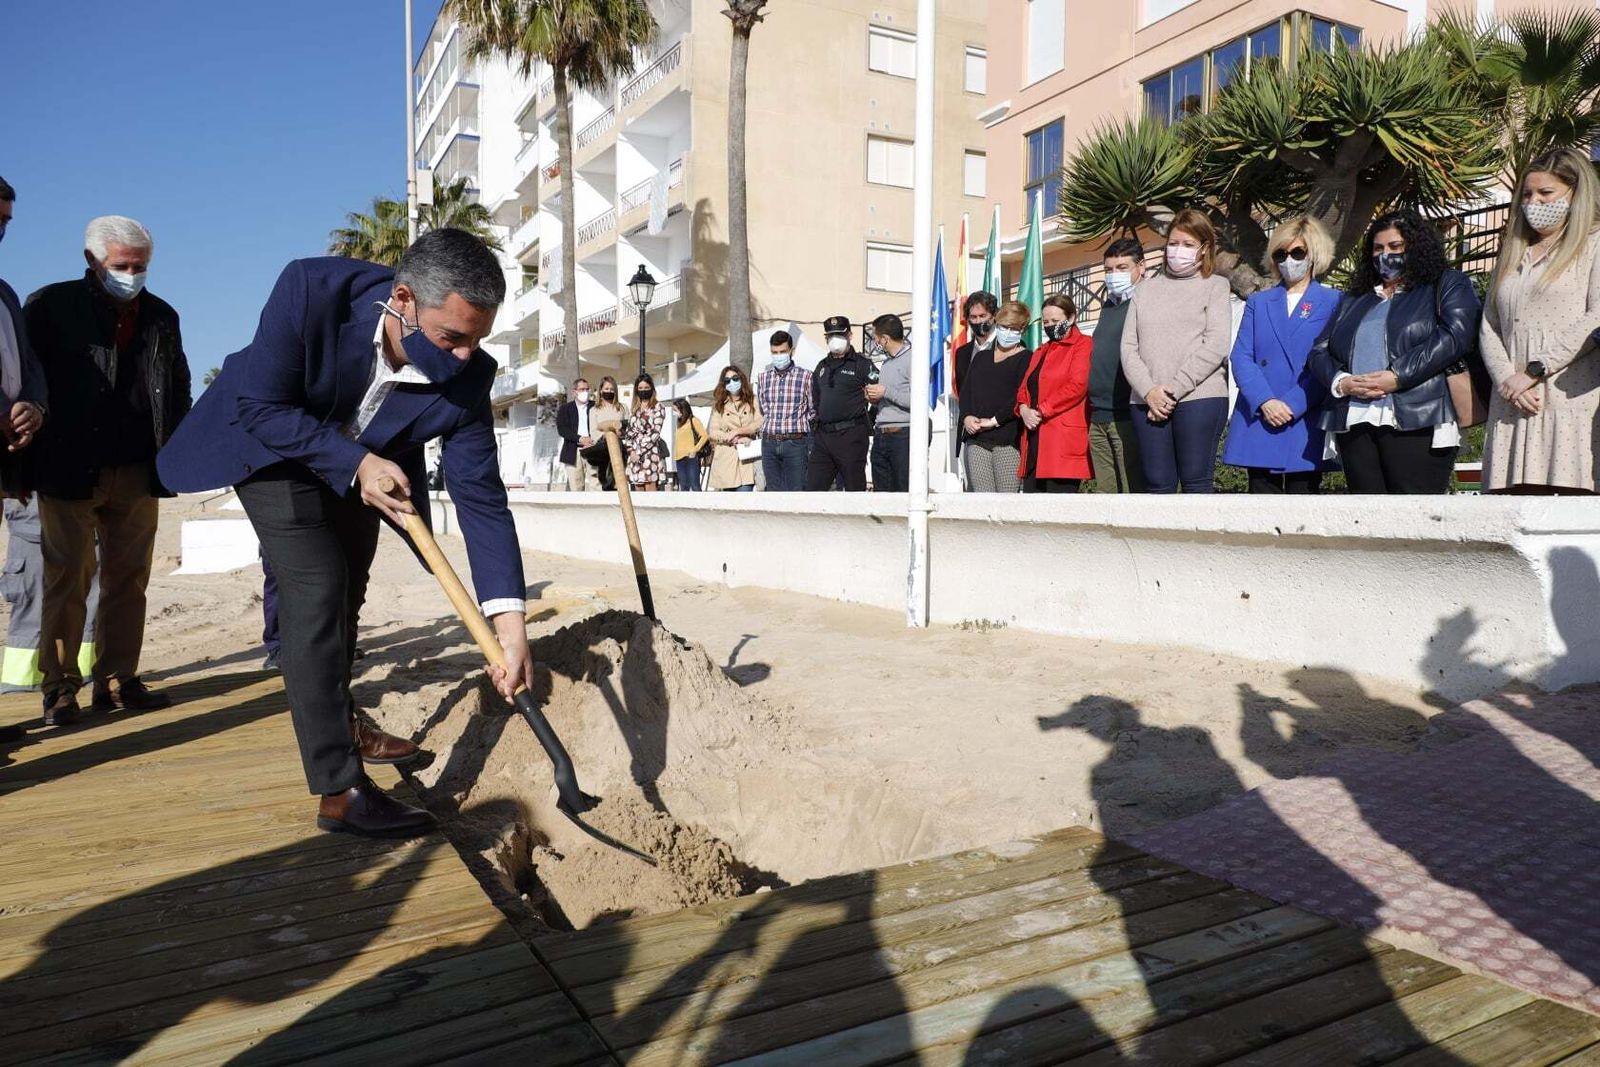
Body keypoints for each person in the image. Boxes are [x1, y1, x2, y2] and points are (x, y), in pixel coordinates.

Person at [157, 228, 532, 838]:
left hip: (371, 457)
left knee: (351, 584)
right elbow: (261, 406)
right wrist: (355, 464)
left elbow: (482, 499)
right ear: (404, 300)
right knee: (318, 587)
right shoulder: (310, 290)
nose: (465, 356)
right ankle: (340, 788)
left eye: (478, 339)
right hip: (272, 445)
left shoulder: (470, 374)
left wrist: (509, 624)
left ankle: (339, 718)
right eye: (452, 338)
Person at [27, 215, 190, 725]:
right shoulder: (50, 307)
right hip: (68, 466)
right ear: (91, 261)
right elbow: (28, 381)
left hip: (139, 467)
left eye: (140, 265)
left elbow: (177, 387)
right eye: (122, 265)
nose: (132, 273)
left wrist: (177, 455)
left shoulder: (162, 315)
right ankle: (59, 689)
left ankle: (118, 679)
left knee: (129, 579)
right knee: (67, 577)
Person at [1309, 210, 1480, 495]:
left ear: (1416, 246)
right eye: (1378, 248)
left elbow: (1456, 336)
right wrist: (1341, 381)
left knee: (1415, 513)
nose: (1384, 254)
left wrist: (1397, 376)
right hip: (1354, 417)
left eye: (1395, 246)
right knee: (1366, 516)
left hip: (1418, 413)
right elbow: (1319, 351)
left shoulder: (1446, 283)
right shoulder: (1355, 298)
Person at [1481, 146, 1600, 494]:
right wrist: (1507, 379)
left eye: (1546, 193)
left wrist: (1535, 370)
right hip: (1512, 405)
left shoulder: (1593, 244)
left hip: (1567, 403)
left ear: (1575, 193)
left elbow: (1596, 317)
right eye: (1528, 194)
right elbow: (1490, 324)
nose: (1535, 202)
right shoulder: (1514, 251)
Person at [1222, 216, 1341, 493]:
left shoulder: (1333, 301)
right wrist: (1265, 401)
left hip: (1305, 415)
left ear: (1314, 254)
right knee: (1262, 509)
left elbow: (1332, 358)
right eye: (1281, 254)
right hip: (1261, 417)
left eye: (1297, 252)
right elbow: (1241, 356)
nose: (1289, 260)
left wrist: (1294, 404)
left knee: (1303, 506)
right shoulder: (1258, 301)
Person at [1119, 208, 1233, 494]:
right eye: (1173, 243)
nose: (1178, 250)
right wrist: (1149, 391)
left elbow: (1216, 344)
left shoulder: (1216, 286)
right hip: (1147, 401)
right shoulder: (1144, 290)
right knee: (1157, 484)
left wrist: (1173, 390)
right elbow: (1129, 348)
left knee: (1196, 480)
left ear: (1205, 248)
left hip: (1199, 397)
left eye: (1188, 244)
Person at [1086, 240, 1146, 493]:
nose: (1114, 275)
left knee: (1132, 492)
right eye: (1108, 270)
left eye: (1122, 267)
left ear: (1141, 267)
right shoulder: (1109, 306)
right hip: (1098, 415)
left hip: (1127, 415)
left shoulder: (1145, 303)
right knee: (1106, 495)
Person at [1017, 295, 1093, 492]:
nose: (1049, 326)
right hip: (1034, 438)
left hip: (1061, 439)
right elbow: (1024, 387)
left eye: (1055, 321)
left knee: (1060, 508)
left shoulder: (1083, 344)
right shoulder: (1040, 351)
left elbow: (1077, 385)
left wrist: (1042, 410)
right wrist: (1023, 408)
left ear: (1071, 318)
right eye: (1046, 321)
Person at [957, 299, 1029, 492]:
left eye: (1014, 328)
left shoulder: (1026, 358)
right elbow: (966, 392)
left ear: (1023, 330)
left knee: (1006, 503)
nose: (1008, 332)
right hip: (977, 439)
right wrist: (967, 416)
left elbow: (1019, 396)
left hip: (1008, 440)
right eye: (1004, 326)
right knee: (982, 502)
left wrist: (994, 420)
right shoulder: (981, 357)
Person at [805, 315, 873, 491]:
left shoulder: (862, 364)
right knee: (812, 490)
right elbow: (816, 398)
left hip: (851, 435)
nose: (835, 340)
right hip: (823, 437)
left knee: (853, 489)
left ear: (849, 335)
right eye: (831, 335)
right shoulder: (821, 366)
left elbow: (879, 391)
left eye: (840, 335)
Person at [755, 330, 813, 491]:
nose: (778, 355)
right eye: (775, 352)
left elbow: (813, 410)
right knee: (773, 493)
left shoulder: (806, 377)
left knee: (796, 492)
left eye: (782, 351)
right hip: (769, 442)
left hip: (795, 442)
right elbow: (763, 408)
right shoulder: (763, 378)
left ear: (791, 351)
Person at [866, 314, 913, 492]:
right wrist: (875, 399)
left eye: (875, 338)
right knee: (882, 493)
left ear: (885, 339)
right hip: (881, 434)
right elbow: (889, 397)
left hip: (902, 435)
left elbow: (917, 400)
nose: (875, 343)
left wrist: (886, 391)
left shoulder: (912, 359)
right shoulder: (885, 364)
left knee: (902, 489)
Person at [708, 367, 763, 491]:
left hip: (747, 456)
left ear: (741, 379)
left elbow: (759, 422)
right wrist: (734, 438)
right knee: (730, 505)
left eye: (735, 379)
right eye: (727, 380)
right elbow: (713, 431)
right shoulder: (719, 404)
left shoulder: (752, 400)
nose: (732, 383)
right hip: (726, 458)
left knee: (745, 498)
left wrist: (738, 431)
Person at [622, 373, 666, 491]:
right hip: (634, 455)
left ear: (652, 388)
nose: (643, 391)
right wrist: (631, 451)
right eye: (640, 388)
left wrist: (639, 452)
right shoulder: (635, 408)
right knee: (638, 491)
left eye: (646, 388)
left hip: (649, 453)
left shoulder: (658, 407)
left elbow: (655, 433)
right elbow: (629, 432)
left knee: (650, 490)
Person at [555, 377, 599, 492]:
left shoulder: (595, 407)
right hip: (573, 451)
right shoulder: (565, 409)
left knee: (597, 485)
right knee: (576, 487)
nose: (585, 392)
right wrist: (580, 439)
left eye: (587, 389)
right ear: (574, 392)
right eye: (582, 389)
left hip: (593, 449)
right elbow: (562, 429)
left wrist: (592, 440)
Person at [584, 376, 625, 490]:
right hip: (603, 448)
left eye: (612, 389)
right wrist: (607, 436)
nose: (609, 392)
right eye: (606, 389)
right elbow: (593, 430)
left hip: (620, 447)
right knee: (605, 479)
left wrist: (621, 433)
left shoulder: (622, 408)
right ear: (601, 390)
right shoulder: (594, 410)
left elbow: (627, 427)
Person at [672, 398, 708, 491]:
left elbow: (704, 436)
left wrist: (695, 450)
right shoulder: (679, 422)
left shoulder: (693, 420)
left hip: (690, 457)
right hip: (679, 458)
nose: (674, 413)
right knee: (683, 486)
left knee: (695, 485)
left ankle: (700, 505)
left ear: (682, 409)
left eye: (675, 410)